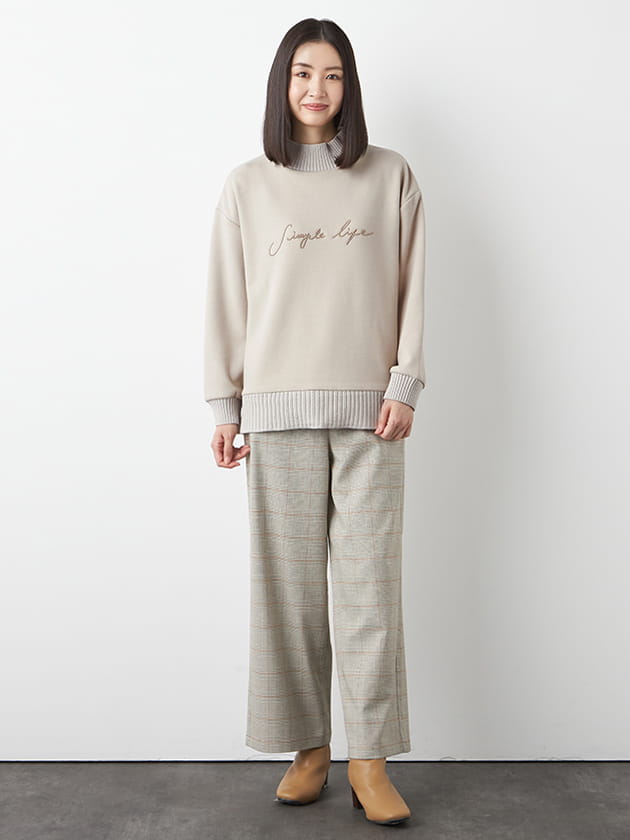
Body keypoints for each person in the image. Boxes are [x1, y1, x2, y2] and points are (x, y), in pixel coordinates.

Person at [203, 17, 426, 827]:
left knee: (370, 593)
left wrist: (405, 382)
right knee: (290, 596)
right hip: (276, 413)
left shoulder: (389, 175)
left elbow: (413, 283)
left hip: (373, 417)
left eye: (332, 75)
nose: (317, 89)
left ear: (348, 86)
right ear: (283, 82)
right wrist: (225, 404)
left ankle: (370, 759)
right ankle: (309, 750)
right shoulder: (247, 186)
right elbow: (228, 300)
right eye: (303, 73)